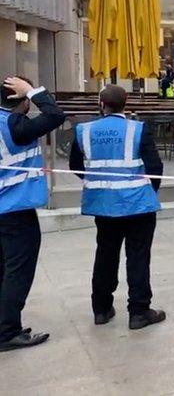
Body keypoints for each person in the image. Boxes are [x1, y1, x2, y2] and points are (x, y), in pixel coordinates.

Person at [69, 85, 166, 330]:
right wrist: (145, 191)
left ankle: (101, 309)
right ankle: (139, 312)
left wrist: (101, 184)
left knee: (105, 254)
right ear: (127, 102)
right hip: (138, 205)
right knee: (138, 256)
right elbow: (155, 166)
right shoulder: (138, 129)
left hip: (104, 205)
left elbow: (75, 166)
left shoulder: (84, 130)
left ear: (100, 104)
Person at [0, 76, 65, 352]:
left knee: (3, 270)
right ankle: (7, 332)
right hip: (15, 209)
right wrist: (34, 91)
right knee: (17, 272)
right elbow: (55, 116)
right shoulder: (14, 125)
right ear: (22, 101)